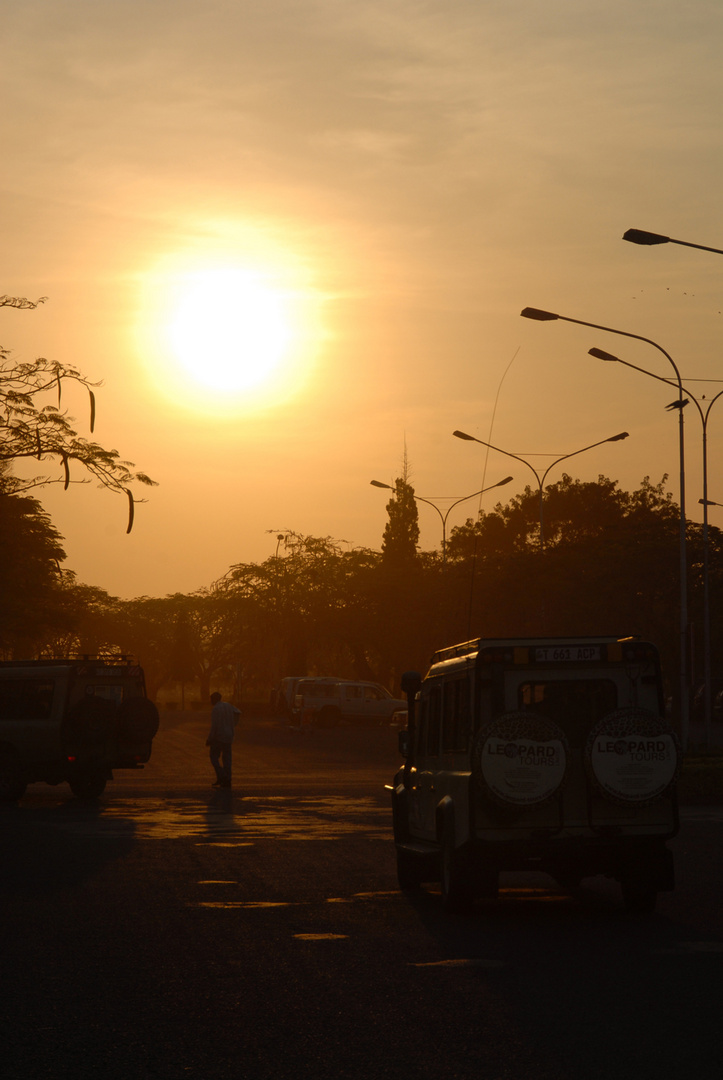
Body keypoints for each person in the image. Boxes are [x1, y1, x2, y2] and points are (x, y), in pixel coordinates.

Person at [206, 691, 241, 788]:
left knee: (214, 757)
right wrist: (232, 725)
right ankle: (227, 779)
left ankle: (222, 775)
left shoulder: (216, 709)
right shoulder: (228, 705)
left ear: (214, 699)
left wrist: (209, 739)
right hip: (229, 735)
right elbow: (238, 712)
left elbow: (214, 726)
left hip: (219, 736)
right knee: (227, 759)